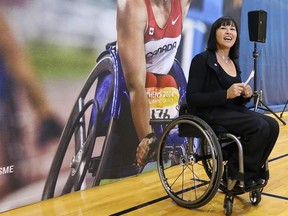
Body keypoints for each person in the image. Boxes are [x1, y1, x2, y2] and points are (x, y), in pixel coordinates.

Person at [186, 16, 279, 188]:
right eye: (223, 28)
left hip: (231, 111)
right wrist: (225, 94)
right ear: (215, 33)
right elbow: (192, 98)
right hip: (210, 112)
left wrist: (245, 95)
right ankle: (235, 173)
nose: (229, 31)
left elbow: (236, 101)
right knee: (259, 127)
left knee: (273, 125)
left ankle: (248, 170)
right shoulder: (201, 60)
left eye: (233, 29)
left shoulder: (233, 63)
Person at [117, 0, 193, 167]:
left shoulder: (181, 3)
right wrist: (147, 138)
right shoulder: (133, 6)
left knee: (170, 82)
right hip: (133, 79)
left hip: (164, 79)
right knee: (149, 81)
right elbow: (135, 85)